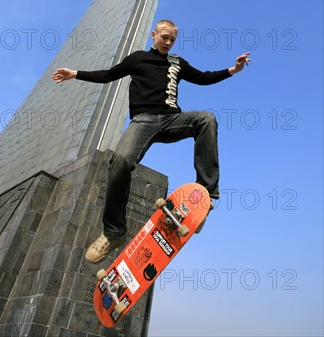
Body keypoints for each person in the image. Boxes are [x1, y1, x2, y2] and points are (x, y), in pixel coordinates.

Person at [52, 19, 251, 263]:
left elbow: (203, 77)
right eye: (164, 37)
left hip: (172, 120)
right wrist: (76, 73)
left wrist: (232, 70)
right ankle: (113, 232)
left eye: (172, 39)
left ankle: (206, 195)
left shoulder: (177, 63)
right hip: (143, 121)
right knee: (120, 161)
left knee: (206, 119)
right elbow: (108, 74)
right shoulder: (137, 59)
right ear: (154, 35)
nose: (168, 42)